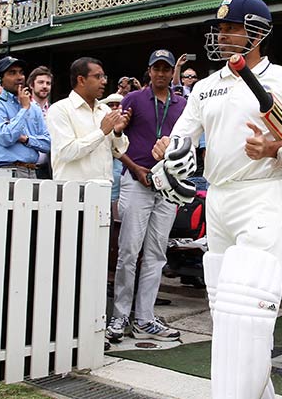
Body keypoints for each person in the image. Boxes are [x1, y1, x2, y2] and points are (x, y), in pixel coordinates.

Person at [151, 0, 282, 398]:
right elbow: (182, 138)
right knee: (227, 315)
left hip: (267, 193)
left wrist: (276, 149)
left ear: (258, 32)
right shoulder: (206, 87)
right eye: (221, 27)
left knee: (248, 312)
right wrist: (168, 153)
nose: (222, 33)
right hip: (219, 197)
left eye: (232, 27)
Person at [106, 49, 186, 345]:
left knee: (156, 254)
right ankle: (120, 316)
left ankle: (144, 318)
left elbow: (186, 144)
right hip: (137, 180)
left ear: (171, 72)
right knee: (128, 251)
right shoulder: (133, 99)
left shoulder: (183, 105)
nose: (162, 73)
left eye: (167, 68)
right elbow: (117, 143)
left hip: (168, 185)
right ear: (149, 71)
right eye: (157, 68)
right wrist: (135, 169)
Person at [48, 57, 130, 182]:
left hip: (103, 188)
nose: (104, 82)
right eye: (98, 77)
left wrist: (118, 133)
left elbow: (120, 151)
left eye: (104, 77)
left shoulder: (105, 111)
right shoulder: (59, 109)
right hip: (73, 189)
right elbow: (67, 152)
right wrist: (101, 132)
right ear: (81, 80)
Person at [0, 56, 50, 178]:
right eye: (12, 73)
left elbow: (47, 144)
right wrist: (24, 109)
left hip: (33, 171)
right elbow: (6, 137)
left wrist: (26, 139)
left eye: (21, 73)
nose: (19, 77)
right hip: (6, 171)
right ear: (0, 79)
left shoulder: (34, 108)